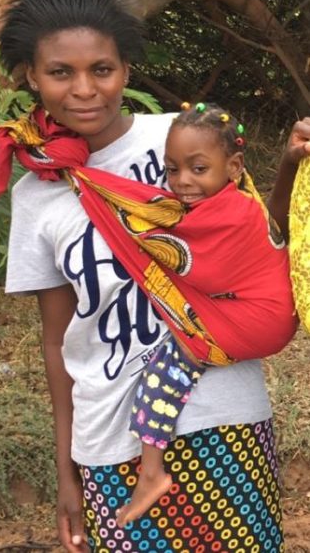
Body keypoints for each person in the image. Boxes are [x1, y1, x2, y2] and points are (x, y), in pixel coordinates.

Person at [0, 0, 309, 552]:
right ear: (31, 76)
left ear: (125, 70)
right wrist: (66, 471)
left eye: (102, 69)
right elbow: (58, 341)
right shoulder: (39, 194)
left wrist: (293, 161)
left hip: (223, 414)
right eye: (61, 71)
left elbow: (252, 238)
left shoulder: (184, 142)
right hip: (110, 435)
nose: (85, 89)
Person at [94, 102, 296, 527]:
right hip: (259, 316)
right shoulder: (229, 202)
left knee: (166, 368)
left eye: (198, 169)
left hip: (258, 322)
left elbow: (200, 266)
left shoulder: (232, 213)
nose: (182, 182)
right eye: (171, 169)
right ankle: (152, 470)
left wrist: (130, 226)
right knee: (180, 358)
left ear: (235, 166)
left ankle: (151, 472)